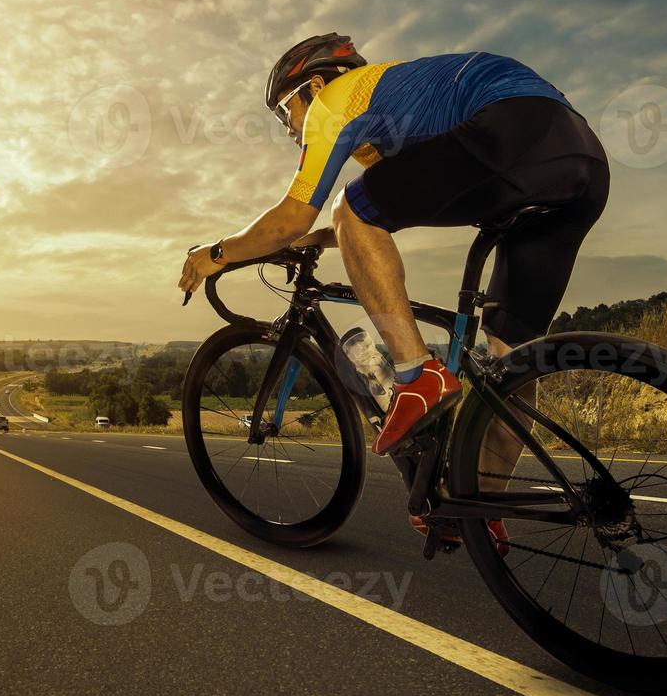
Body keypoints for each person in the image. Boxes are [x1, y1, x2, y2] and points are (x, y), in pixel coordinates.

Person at [177, 33, 609, 545]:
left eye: (283, 113)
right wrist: (322, 234)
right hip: (579, 160)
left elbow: (294, 216)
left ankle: (416, 375)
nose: (290, 129)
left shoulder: (336, 102)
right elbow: (385, 208)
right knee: (509, 360)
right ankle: (481, 504)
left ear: (311, 87)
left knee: (349, 208)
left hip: (513, 132)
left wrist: (214, 254)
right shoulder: (392, 114)